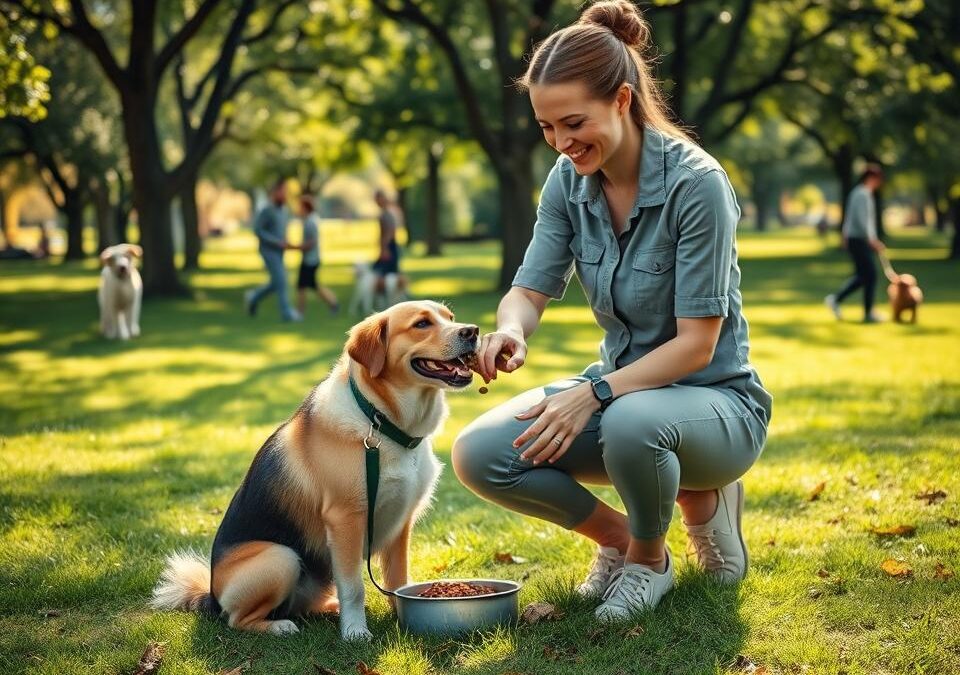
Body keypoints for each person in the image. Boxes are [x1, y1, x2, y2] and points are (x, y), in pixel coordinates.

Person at [451, 0, 772, 622]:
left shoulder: (696, 185)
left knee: (630, 422)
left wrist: (592, 394)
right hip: (625, 399)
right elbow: (530, 288)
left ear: (622, 100)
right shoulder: (567, 180)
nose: (561, 143)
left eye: (572, 122)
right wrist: (510, 330)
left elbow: (697, 346)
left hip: (719, 406)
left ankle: (657, 554)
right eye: (546, 128)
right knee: (480, 452)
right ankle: (622, 541)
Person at [825, 165, 886, 323]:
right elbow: (862, 220)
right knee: (870, 274)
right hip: (859, 239)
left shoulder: (858, 193)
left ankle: (836, 300)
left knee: (863, 276)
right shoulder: (863, 194)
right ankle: (868, 312)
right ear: (872, 178)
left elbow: (850, 218)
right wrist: (872, 239)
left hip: (855, 239)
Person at [244, 178, 301, 322]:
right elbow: (257, 230)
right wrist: (276, 242)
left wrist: (286, 242)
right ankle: (287, 314)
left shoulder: (284, 210)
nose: (284, 195)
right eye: (282, 192)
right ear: (275, 192)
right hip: (268, 251)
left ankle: (253, 298)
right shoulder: (266, 209)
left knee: (276, 282)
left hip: (280, 252)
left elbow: (283, 229)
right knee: (282, 281)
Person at [296, 194, 339, 316]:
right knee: (309, 286)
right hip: (311, 259)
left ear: (305, 207)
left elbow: (311, 242)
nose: (298, 209)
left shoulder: (310, 222)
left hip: (310, 260)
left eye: (300, 206)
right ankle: (333, 302)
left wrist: (295, 247)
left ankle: (300, 312)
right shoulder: (311, 219)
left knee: (302, 286)